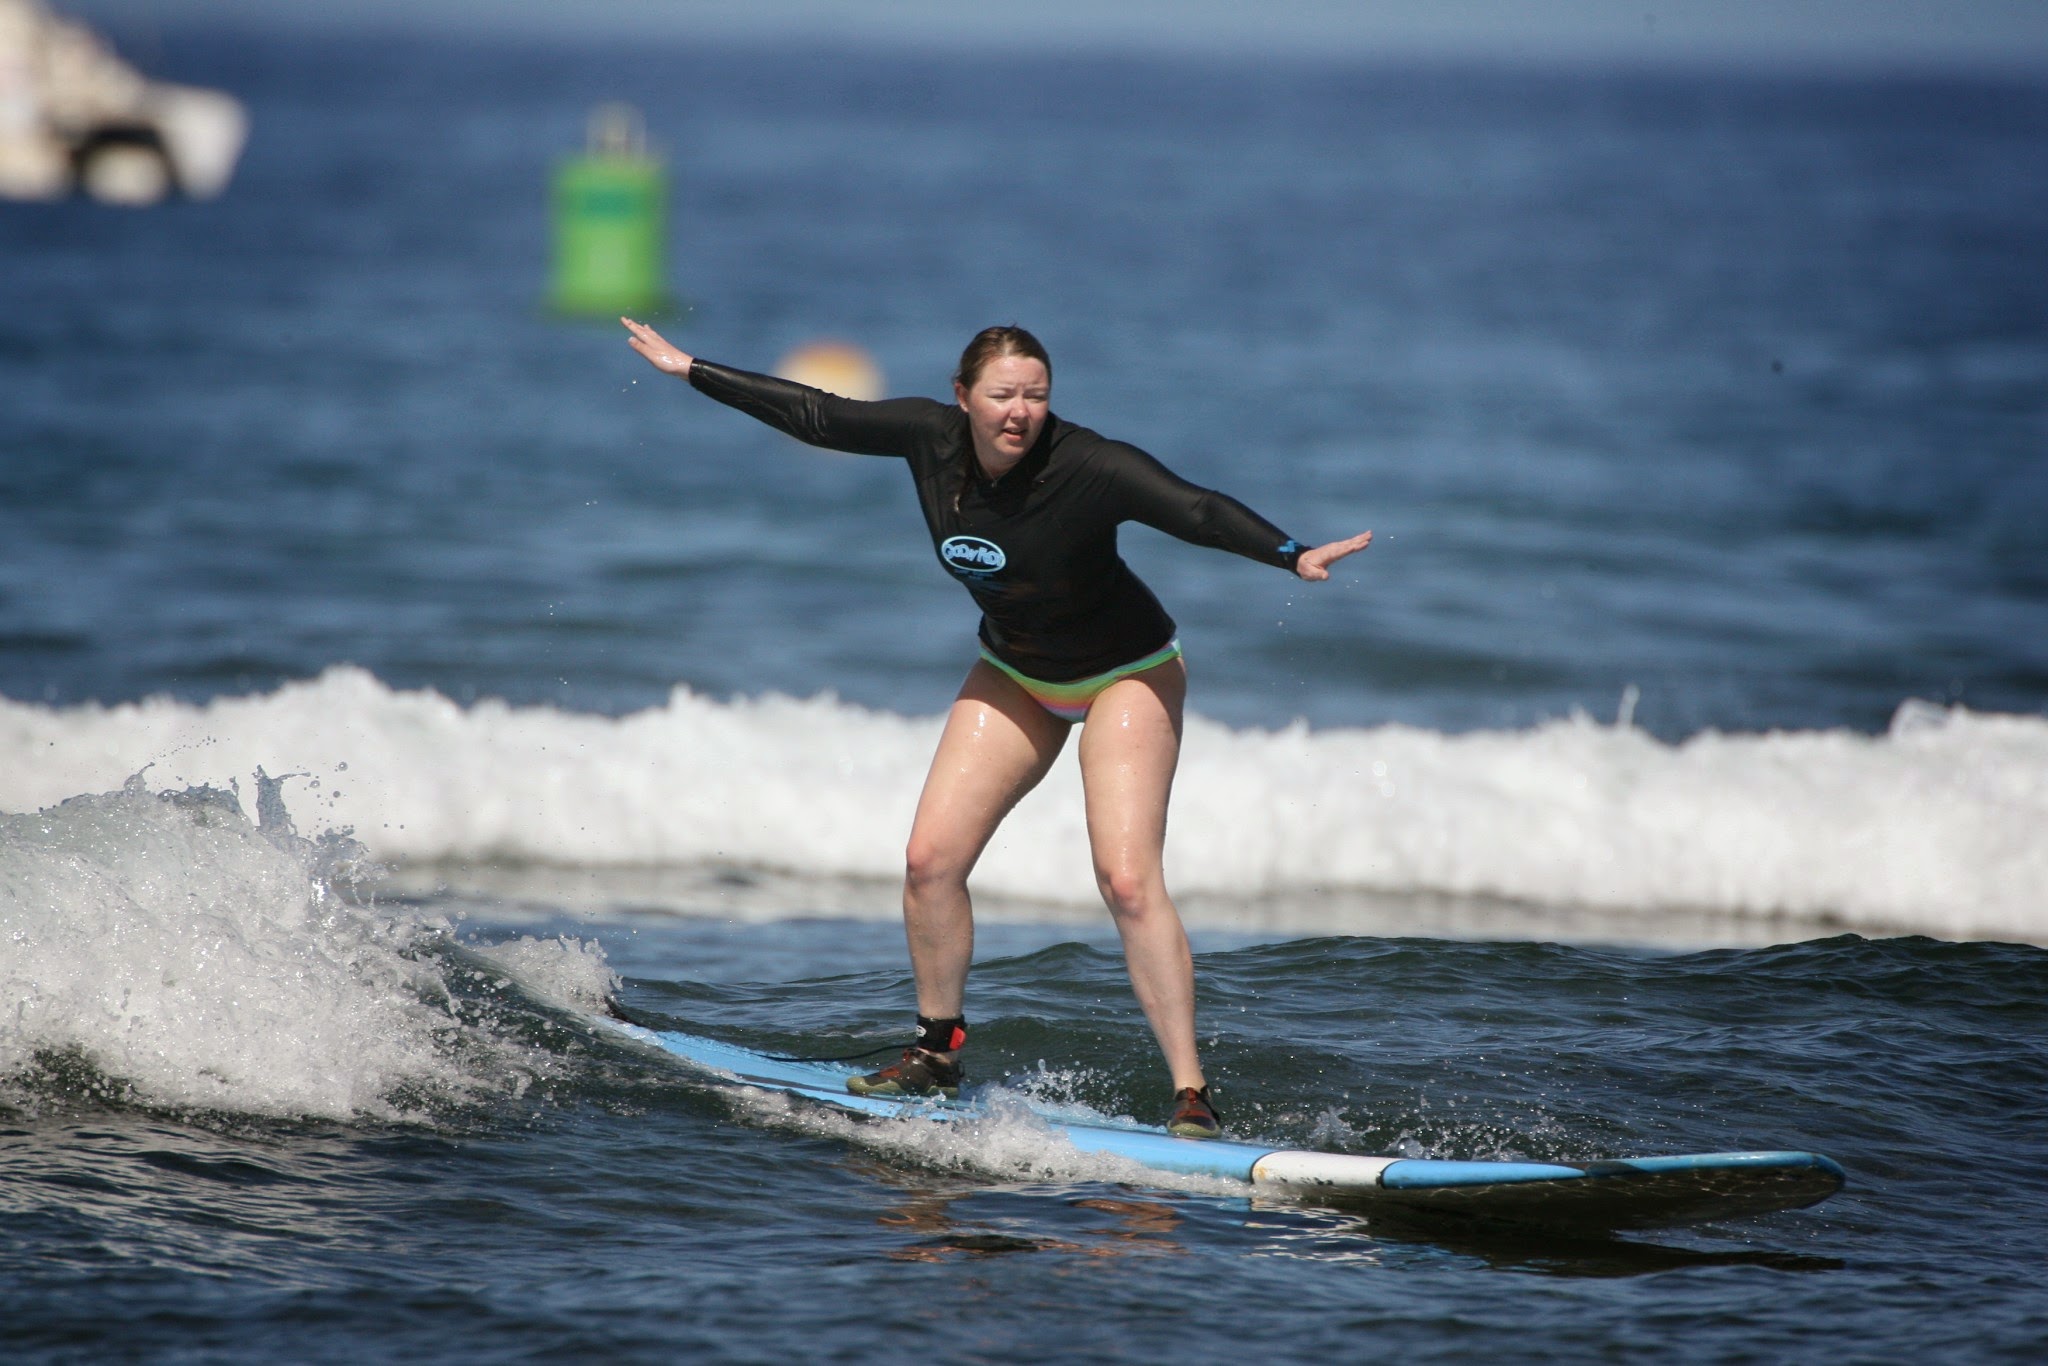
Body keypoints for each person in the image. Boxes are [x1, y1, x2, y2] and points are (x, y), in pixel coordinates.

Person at [623, 317, 1372, 1139]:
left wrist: (1290, 552)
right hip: (1016, 671)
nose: (1021, 412)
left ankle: (1192, 1094)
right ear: (963, 397)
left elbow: (1192, 508)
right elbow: (818, 414)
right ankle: (937, 1052)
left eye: (1037, 396)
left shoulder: (1089, 465)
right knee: (928, 862)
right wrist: (690, 369)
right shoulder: (927, 440)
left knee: (1126, 880)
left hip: (1128, 672)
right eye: (1003, 395)